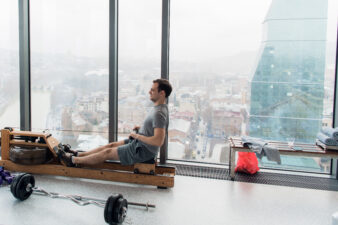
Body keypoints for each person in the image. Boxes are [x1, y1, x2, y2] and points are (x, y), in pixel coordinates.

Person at [58, 78, 172, 167]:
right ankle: (78, 154)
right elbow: (154, 128)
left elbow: (158, 141)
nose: (149, 92)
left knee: (107, 152)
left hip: (143, 151)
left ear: (162, 93)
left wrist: (137, 136)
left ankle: (73, 160)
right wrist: (141, 129)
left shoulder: (159, 113)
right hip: (139, 144)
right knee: (110, 145)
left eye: (153, 90)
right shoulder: (159, 107)